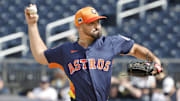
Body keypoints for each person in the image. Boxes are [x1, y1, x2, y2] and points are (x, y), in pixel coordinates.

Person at [25, 4, 162, 101]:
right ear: (79, 26)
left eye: (98, 22)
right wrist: (32, 25)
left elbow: (135, 49)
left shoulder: (110, 42)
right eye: (91, 23)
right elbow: (41, 55)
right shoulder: (66, 50)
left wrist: (154, 60)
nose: (97, 26)